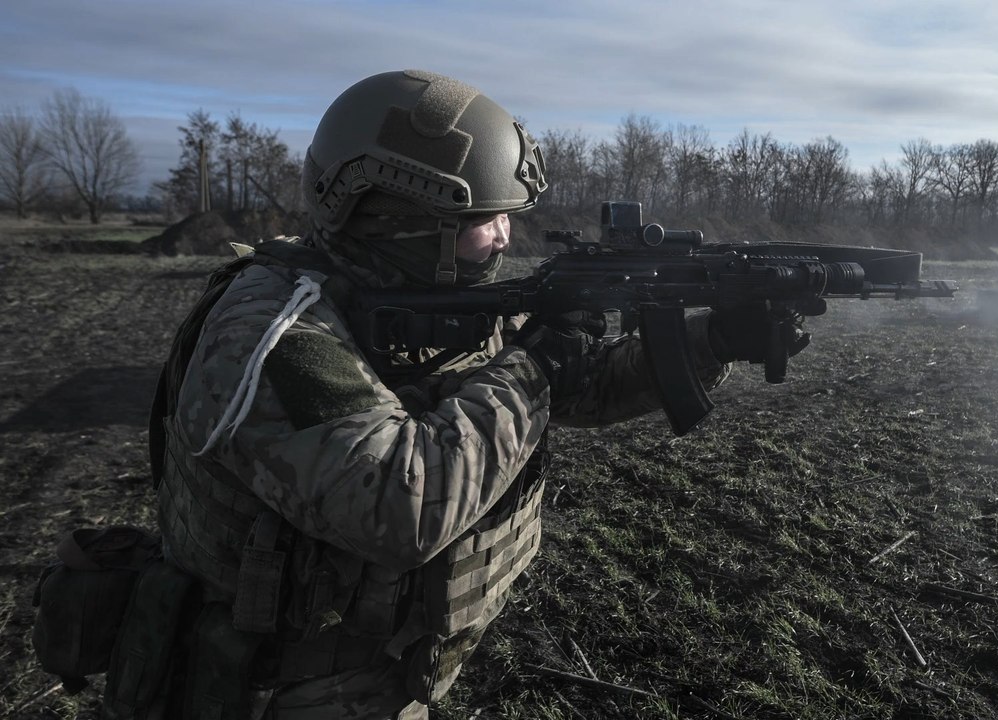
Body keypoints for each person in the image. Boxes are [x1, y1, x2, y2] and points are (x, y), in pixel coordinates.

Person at [149, 69, 810, 719]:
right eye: (483, 219)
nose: (503, 237)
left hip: (380, 674)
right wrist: (538, 360)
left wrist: (712, 340)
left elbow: (580, 390)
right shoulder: (272, 330)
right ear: (398, 219)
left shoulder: (439, 298)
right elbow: (397, 507)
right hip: (271, 694)